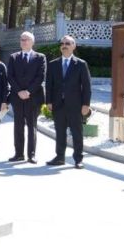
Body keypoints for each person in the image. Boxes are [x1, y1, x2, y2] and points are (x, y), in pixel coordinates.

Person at [45, 35, 92, 169]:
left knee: (77, 132)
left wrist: (86, 104)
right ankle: (60, 157)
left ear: (73, 46)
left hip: (76, 105)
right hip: (58, 105)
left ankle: (78, 159)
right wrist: (48, 101)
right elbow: (49, 85)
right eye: (62, 43)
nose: (64, 45)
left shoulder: (81, 64)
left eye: (67, 43)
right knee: (60, 132)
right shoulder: (53, 64)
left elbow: (87, 86)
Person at [6, 31, 46, 163]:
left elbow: (40, 77)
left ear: (32, 42)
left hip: (34, 97)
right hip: (17, 97)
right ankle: (18, 154)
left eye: (26, 39)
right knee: (18, 126)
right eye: (22, 39)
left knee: (31, 126)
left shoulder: (40, 57)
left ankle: (31, 154)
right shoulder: (13, 57)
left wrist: (28, 91)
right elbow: (10, 76)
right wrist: (19, 91)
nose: (23, 42)